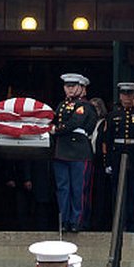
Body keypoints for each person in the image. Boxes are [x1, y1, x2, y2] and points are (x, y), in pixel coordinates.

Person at [52, 74, 98, 231]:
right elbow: (55, 118)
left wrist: (56, 130)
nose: (70, 89)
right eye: (67, 86)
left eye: (73, 86)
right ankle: (64, 220)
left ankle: (77, 221)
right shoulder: (62, 105)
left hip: (79, 151)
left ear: (81, 88)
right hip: (62, 151)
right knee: (63, 188)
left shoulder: (84, 106)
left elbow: (74, 123)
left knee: (78, 189)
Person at [103, 82, 134, 231]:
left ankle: (131, 225)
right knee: (117, 191)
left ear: (133, 96)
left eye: (130, 94)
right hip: (117, 155)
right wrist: (108, 162)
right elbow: (107, 139)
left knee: (133, 191)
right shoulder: (113, 115)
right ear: (120, 96)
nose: (127, 97)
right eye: (124, 94)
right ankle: (118, 223)